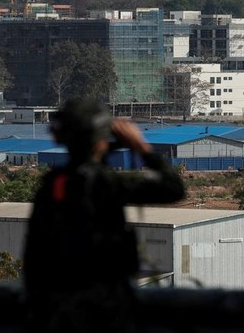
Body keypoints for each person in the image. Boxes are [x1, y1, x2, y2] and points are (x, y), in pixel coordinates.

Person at [24, 98, 185, 333]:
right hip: (108, 303)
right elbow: (173, 188)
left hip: (57, 306)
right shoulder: (108, 183)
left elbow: (33, 253)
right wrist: (140, 147)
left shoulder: (52, 185)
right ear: (100, 140)